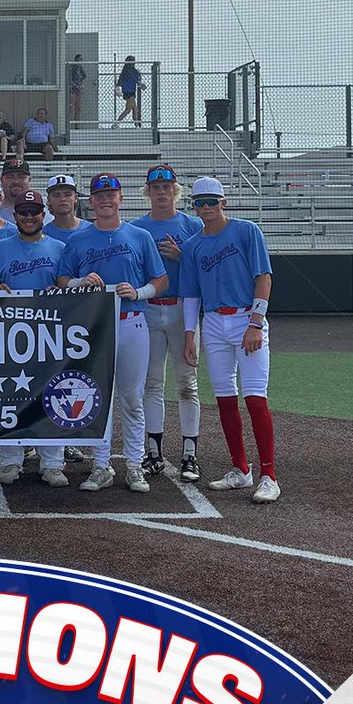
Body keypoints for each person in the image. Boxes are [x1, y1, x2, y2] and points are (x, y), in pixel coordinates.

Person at [58, 172, 168, 493]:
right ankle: (101, 464)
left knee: (131, 397)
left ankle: (135, 465)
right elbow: (62, 280)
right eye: (99, 195)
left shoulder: (139, 236)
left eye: (111, 194)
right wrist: (80, 283)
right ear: (90, 201)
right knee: (98, 397)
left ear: (121, 198)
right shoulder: (78, 240)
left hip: (132, 321)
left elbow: (161, 280)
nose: (106, 200)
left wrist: (140, 291)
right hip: (94, 326)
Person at [181, 177, 279, 503]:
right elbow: (191, 294)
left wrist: (256, 323)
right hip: (213, 322)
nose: (206, 208)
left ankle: (268, 475)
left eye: (212, 201)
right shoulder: (193, 244)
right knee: (224, 398)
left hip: (245, 318)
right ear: (193, 206)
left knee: (254, 397)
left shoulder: (246, 230)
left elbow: (263, 277)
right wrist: (189, 335)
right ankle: (240, 469)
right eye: (200, 203)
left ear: (224, 202)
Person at [0, 190, 68, 489]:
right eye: (23, 211)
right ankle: (11, 459)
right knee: (11, 394)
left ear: (43, 214)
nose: (29, 217)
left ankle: (52, 462)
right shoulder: (0, 248)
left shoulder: (60, 247)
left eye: (34, 211)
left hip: (50, 333)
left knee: (52, 395)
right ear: (15, 215)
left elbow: (66, 287)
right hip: (10, 332)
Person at [131, 164, 204, 482]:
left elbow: (205, 267)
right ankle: (154, 451)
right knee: (152, 383)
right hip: (148, 309)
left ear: (175, 189)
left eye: (166, 186)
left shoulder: (192, 224)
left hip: (182, 309)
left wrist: (183, 255)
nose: (161, 192)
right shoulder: (136, 228)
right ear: (148, 191)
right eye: (155, 187)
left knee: (187, 383)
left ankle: (190, 453)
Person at [43, 174, 86, 245]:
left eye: (67, 194)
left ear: (75, 198)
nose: (62, 199)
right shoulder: (43, 235)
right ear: (49, 200)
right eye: (56, 195)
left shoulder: (90, 230)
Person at [0, 158, 33, 223]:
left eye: (21, 177)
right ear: (1, 180)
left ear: (29, 180)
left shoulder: (44, 209)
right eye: (10, 177)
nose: (16, 181)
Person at [115, 56, 144, 126]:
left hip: (130, 91)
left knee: (134, 109)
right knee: (128, 110)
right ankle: (116, 123)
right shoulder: (128, 72)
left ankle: (136, 124)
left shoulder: (130, 72)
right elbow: (121, 82)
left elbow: (137, 80)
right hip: (128, 92)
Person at [70, 54, 87, 122]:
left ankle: (77, 122)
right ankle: (70, 122)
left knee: (78, 106)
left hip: (78, 88)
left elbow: (84, 76)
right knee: (72, 106)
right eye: (80, 59)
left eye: (82, 60)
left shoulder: (80, 68)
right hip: (72, 89)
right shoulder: (72, 67)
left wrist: (80, 84)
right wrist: (74, 85)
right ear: (76, 59)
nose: (81, 61)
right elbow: (69, 79)